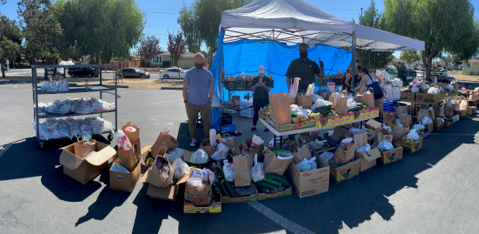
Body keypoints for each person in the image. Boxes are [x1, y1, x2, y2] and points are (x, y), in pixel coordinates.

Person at [183, 52, 214, 147]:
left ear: (204, 62)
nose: (199, 64)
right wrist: (185, 101)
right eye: (197, 62)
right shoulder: (189, 73)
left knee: (207, 122)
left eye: (201, 62)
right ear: (194, 61)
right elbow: (184, 88)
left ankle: (207, 140)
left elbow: (211, 88)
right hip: (191, 102)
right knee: (192, 121)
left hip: (205, 102)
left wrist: (210, 101)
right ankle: (193, 139)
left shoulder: (208, 74)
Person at [251, 65, 272, 132]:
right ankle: (254, 125)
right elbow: (252, 89)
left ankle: (267, 126)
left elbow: (268, 90)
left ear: (264, 72)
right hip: (256, 99)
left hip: (265, 99)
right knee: (255, 112)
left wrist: (264, 86)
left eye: (262, 73)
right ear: (258, 72)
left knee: (266, 113)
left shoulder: (267, 79)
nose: (261, 74)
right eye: (260, 73)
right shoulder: (255, 79)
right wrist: (256, 85)